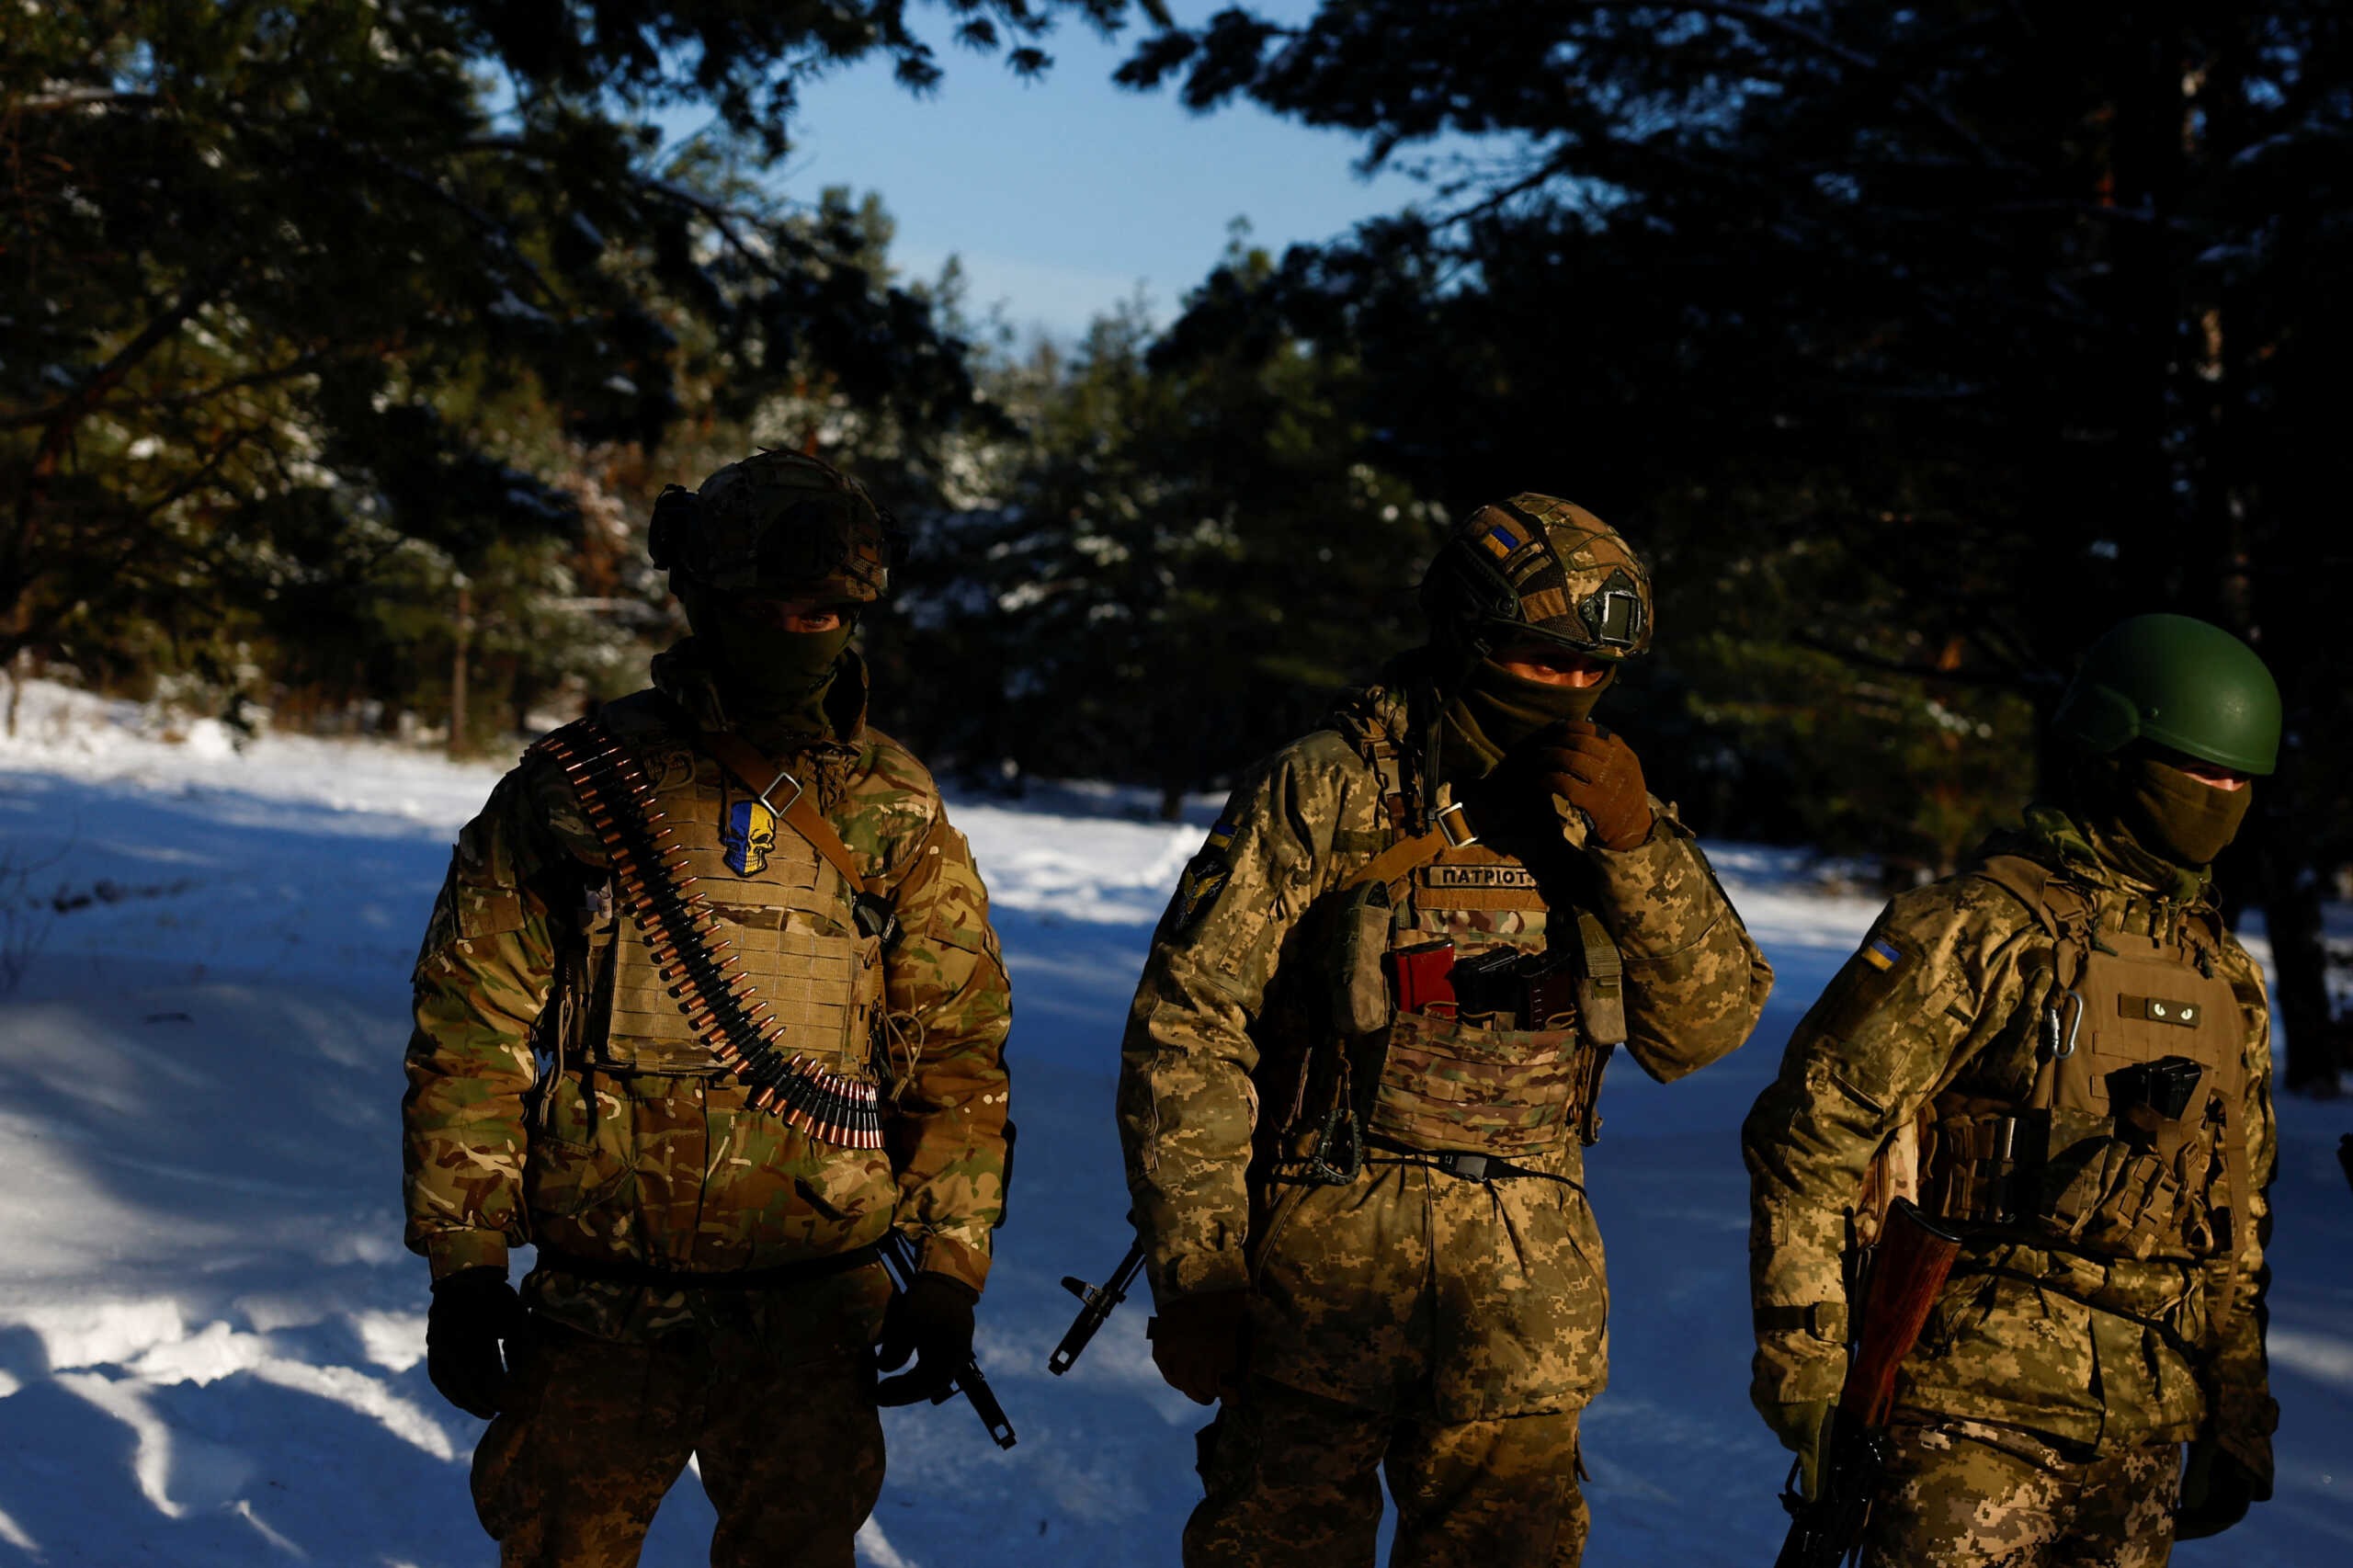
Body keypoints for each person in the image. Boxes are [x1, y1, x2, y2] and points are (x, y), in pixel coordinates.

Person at [1117, 494, 1773, 1566]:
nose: (1566, 688)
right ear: (1467, 632)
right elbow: (1190, 1023)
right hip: (1312, 1292)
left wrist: (1637, 841)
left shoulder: (1597, 802)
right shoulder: (1328, 785)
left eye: (1591, 668)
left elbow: (1701, 1028)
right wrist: (1199, 1271)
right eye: (1539, 655)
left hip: (1521, 1315)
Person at [402, 450, 1013, 1568]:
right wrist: (467, 1259)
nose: (801, 628)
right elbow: (469, 1029)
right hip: (598, 1303)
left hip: (813, 1307)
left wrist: (947, 1267)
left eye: (826, 609)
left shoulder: (893, 806)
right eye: (770, 608)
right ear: (702, 600)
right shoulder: (578, 783)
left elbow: (958, 1057)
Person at [1745, 612, 2281, 1566]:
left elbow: (2233, 1217)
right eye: (2196, 769)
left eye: (2238, 778)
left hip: (2142, 1432)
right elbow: (1811, 1134)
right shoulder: (1978, 926)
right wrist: (1807, 1359)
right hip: (1967, 1418)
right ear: (2114, 751)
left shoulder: (2223, 972)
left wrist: (2235, 1410)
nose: (2219, 795)